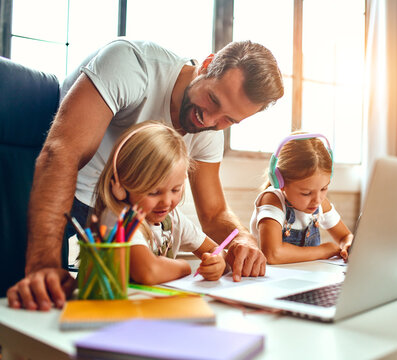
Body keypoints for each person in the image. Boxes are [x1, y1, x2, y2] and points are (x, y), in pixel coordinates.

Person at [7, 38, 283, 310]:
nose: (210, 121)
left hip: (134, 222)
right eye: (212, 99)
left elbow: (213, 213)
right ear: (208, 65)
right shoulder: (132, 65)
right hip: (74, 210)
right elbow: (61, 154)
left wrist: (242, 240)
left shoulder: (207, 131)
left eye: (229, 120)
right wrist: (43, 265)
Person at [88, 122, 226, 284]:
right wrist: (185, 267)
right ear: (121, 186)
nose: (166, 202)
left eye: (176, 190)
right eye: (153, 192)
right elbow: (148, 271)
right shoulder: (118, 218)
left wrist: (218, 262)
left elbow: (215, 250)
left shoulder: (172, 217)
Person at [249, 133, 353, 264]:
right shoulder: (272, 200)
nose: (317, 200)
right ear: (280, 183)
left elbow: (345, 236)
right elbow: (272, 254)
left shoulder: (320, 204)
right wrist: (324, 250)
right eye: (306, 193)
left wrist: (348, 245)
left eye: (324, 189)